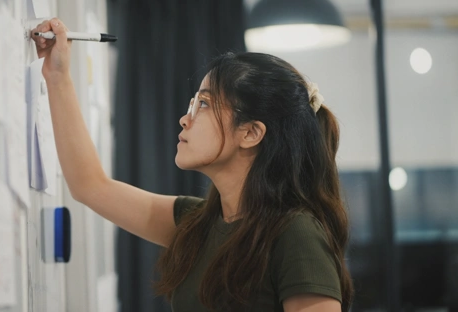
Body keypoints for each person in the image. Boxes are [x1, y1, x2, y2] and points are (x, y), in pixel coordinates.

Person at [31, 18, 353, 312]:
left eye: (204, 104)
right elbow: (90, 186)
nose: (186, 119)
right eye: (192, 103)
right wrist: (57, 77)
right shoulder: (196, 223)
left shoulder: (295, 232)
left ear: (251, 133)